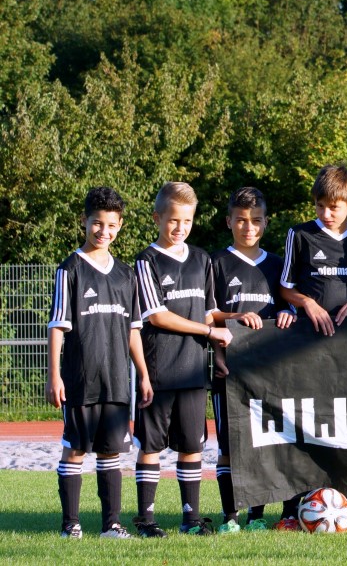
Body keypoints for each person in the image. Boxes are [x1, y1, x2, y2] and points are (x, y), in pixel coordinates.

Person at [47, 187, 153, 539]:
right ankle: (71, 525)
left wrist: (143, 374)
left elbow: (133, 330)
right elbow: (58, 327)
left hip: (116, 381)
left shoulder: (126, 274)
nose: (103, 231)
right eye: (96, 223)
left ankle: (112, 525)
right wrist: (55, 376)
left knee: (111, 454)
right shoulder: (71, 269)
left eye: (110, 225)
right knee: (75, 449)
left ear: (120, 226)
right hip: (80, 378)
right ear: (84, 222)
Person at [133, 182, 232, 538]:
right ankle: (145, 521)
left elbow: (209, 314)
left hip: (193, 372)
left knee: (192, 446)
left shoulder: (202, 259)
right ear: (158, 218)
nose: (180, 227)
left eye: (187, 221)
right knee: (152, 447)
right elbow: (156, 316)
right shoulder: (146, 261)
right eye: (173, 220)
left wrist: (236, 319)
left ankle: (191, 519)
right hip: (158, 372)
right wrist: (209, 333)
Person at [277, 164, 347, 531]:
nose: (326, 214)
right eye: (320, 206)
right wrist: (306, 303)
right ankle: (289, 514)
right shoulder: (298, 235)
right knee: (301, 429)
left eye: (334, 206)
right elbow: (283, 287)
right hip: (305, 351)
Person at [210, 187, 293, 533]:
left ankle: (257, 516)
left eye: (256, 221)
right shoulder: (215, 263)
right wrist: (235, 317)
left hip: (270, 371)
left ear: (266, 223)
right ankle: (230, 516)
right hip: (228, 370)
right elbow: (206, 315)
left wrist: (289, 312)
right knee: (231, 447)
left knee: (264, 444)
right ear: (229, 221)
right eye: (241, 220)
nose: (248, 227)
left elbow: (290, 302)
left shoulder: (277, 264)